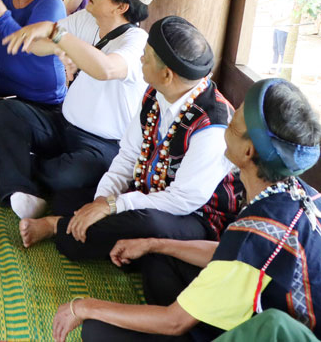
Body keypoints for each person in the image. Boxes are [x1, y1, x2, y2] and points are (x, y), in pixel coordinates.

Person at [51, 79, 321, 342]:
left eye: (235, 119)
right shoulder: (299, 194)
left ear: (248, 151)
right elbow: (232, 254)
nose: (227, 119)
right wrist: (153, 244)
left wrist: (85, 306)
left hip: (265, 332)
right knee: (161, 257)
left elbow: (174, 321)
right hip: (258, 312)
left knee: (97, 331)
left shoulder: (258, 230)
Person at [19, 16, 243, 261]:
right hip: (145, 190)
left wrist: (112, 207)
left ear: (167, 74)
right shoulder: (155, 92)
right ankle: (102, 234)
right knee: (67, 198)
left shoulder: (213, 126)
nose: (140, 59)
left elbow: (183, 200)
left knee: (125, 229)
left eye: (146, 55)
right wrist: (102, 201)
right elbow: (127, 154)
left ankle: (57, 226)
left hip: (195, 216)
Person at [0, 0, 159, 220]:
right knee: (6, 111)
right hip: (62, 124)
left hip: (102, 145)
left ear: (121, 6)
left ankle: (18, 162)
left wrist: (59, 37)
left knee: (65, 177)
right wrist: (55, 44)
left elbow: (105, 69)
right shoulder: (88, 20)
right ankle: (19, 185)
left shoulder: (137, 43)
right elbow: (37, 45)